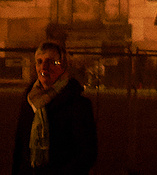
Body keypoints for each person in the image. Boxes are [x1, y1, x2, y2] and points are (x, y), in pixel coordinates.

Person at [13, 41, 99, 175]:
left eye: (51, 62)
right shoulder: (29, 101)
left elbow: (87, 153)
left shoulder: (78, 104)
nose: (43, 67)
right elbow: (20, 148)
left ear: (64, 66)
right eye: (39, 61)